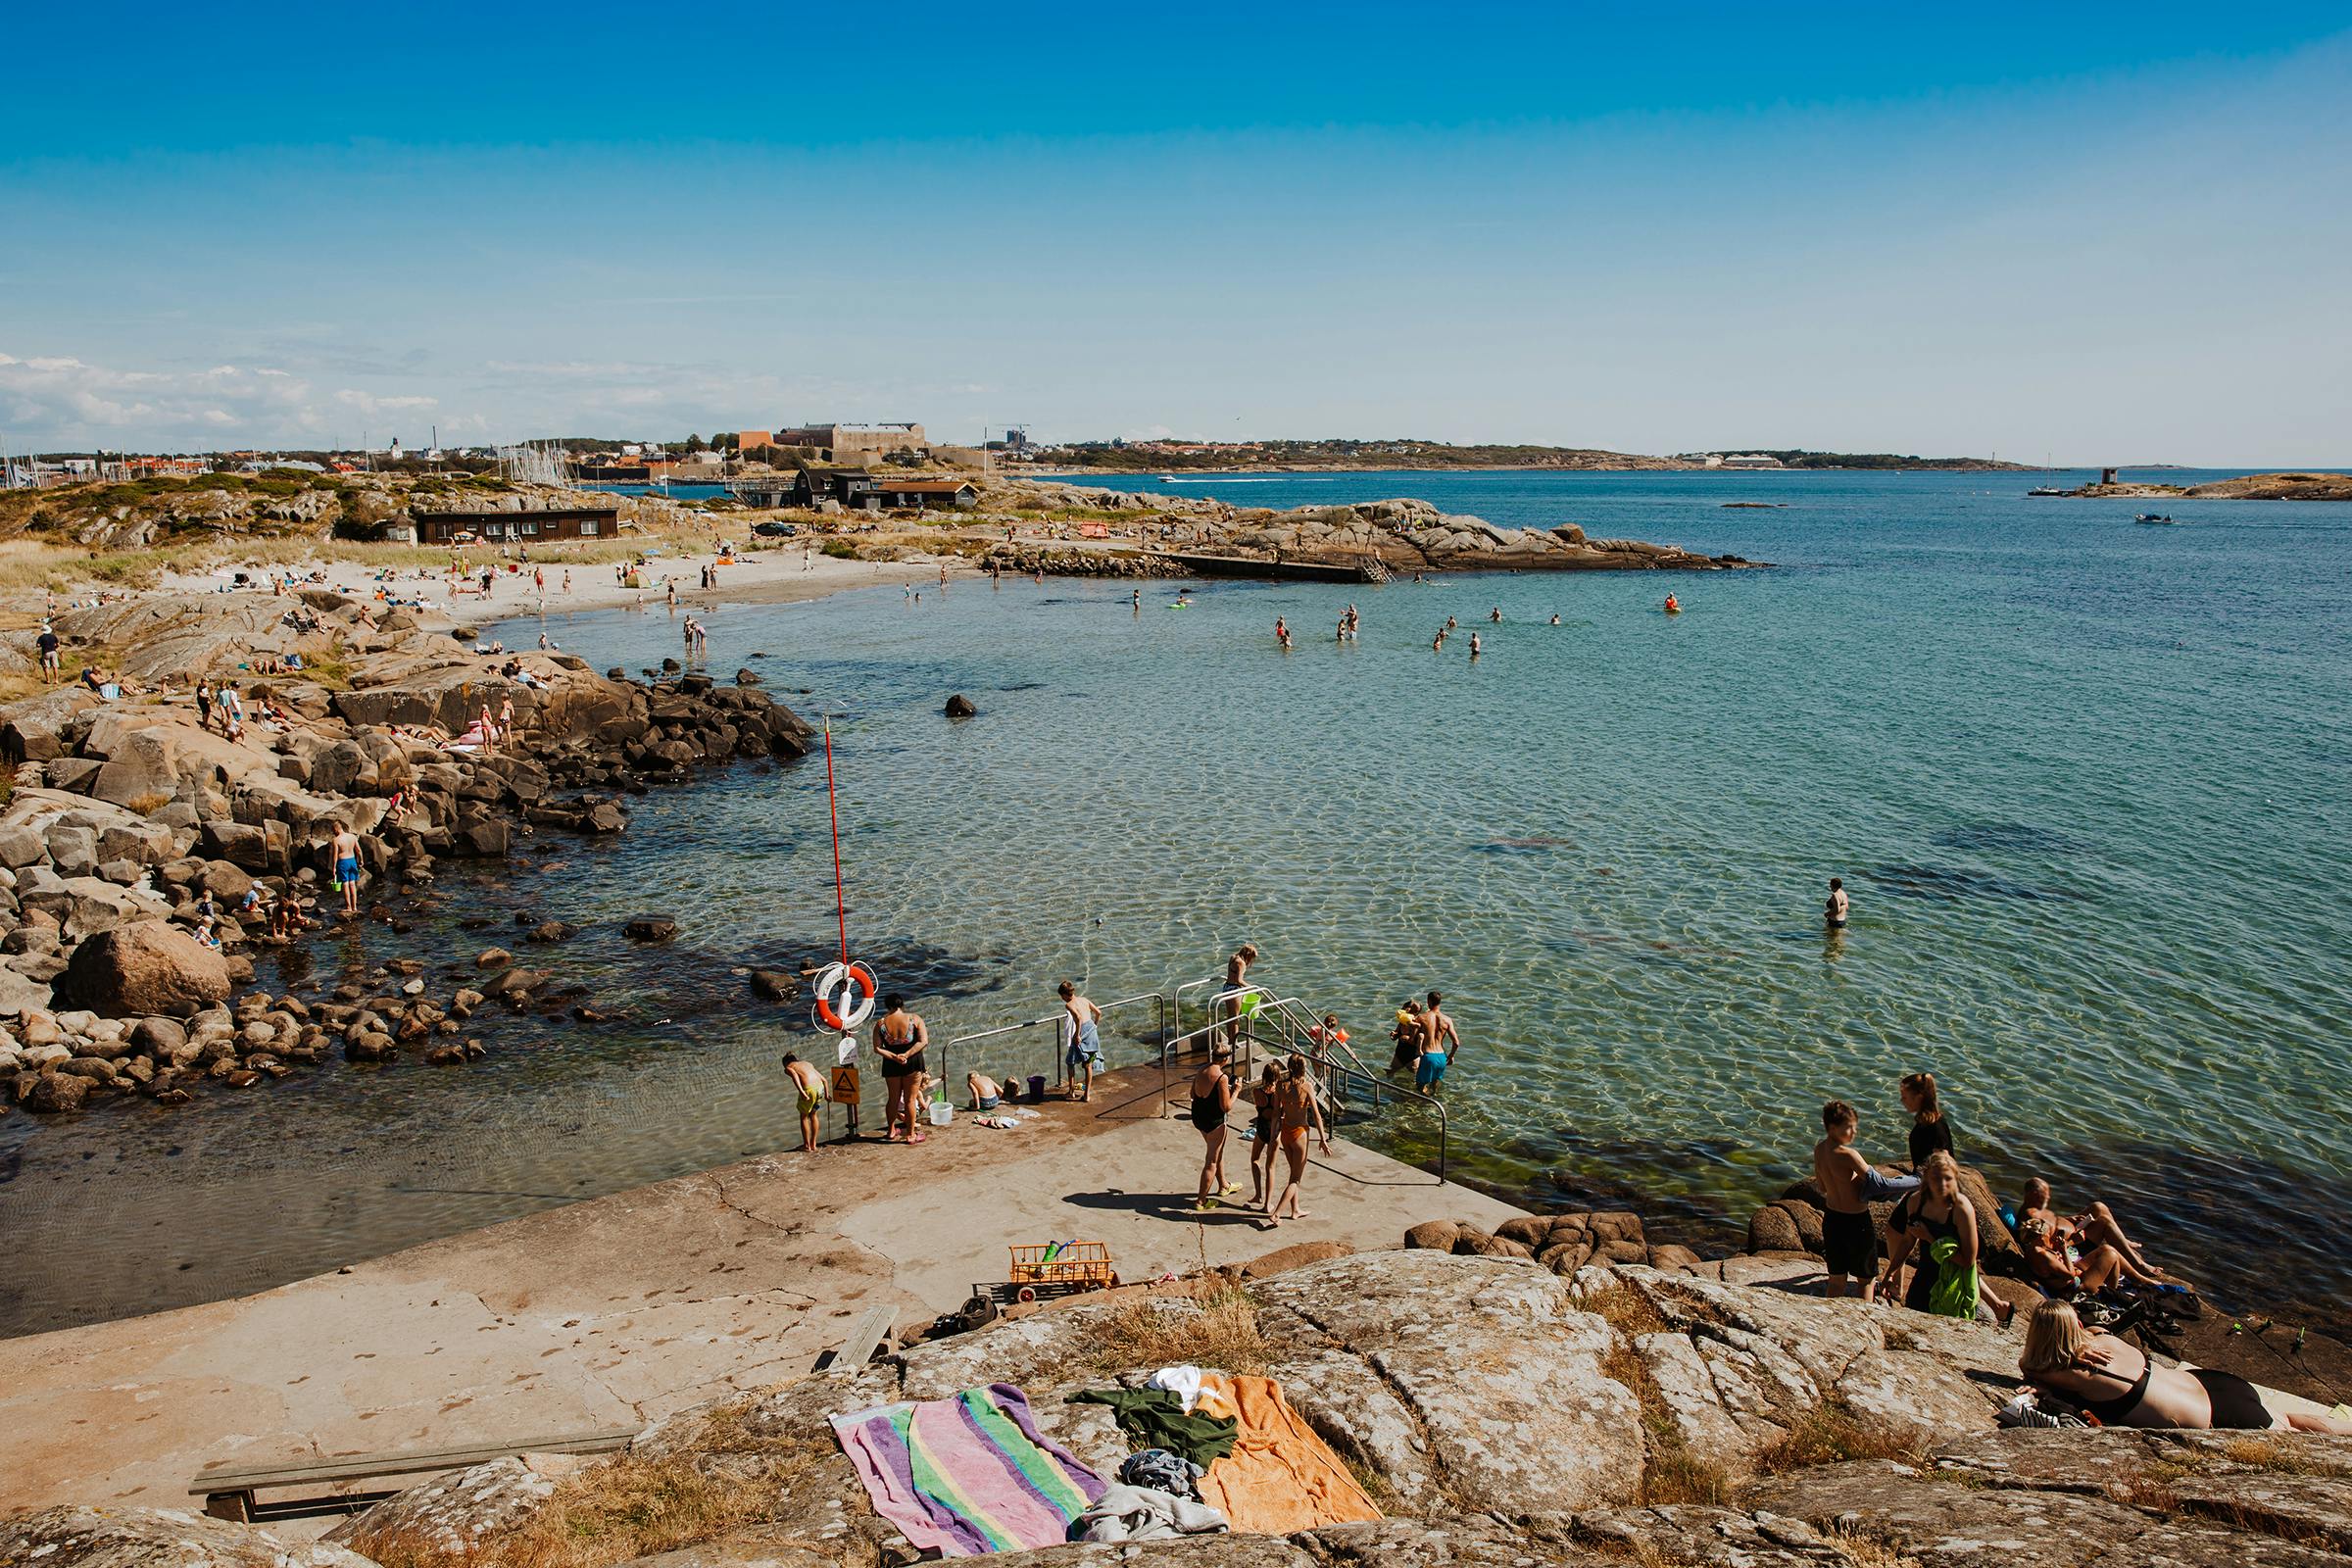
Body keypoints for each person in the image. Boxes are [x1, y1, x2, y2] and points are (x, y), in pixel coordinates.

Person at [2021, 1299, 2351, 1432]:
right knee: (2290, 1419)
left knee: (2291, 1433)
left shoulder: (2071, 1374)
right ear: (2076, 1325)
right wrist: (2082, 1342)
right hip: (2215, 1384)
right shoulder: (2103, 1340)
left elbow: (2029, 1366)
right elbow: (2089, 1332)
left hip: (2211, 1415)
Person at [1881, 1151, 2010, 1324]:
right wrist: (1890, 1273)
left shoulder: (1961, 1208)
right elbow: (1907, 1241)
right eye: (1935, 1178)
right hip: (1924, 1275)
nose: (1942, 1184)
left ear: (1955, 1179)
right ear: (1926, 1177)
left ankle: (1999, 1309)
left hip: (1953, 1281)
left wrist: (1930, 1238)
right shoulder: (1915, 1201)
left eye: (1947, 1178)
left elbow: (1968, 1261)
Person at [2016, 1178, 2176, 1293]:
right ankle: (2138, 1265)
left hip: (2073, 1241)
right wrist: (2071, 1242)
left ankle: (2122, 1242)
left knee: (2098, 1207)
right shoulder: (2032, 1219)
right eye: (2044, 1194)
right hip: (2075, 1247)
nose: (2048, 1197)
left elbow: (2052, 1232)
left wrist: (2071, 1220)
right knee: (2105, 1225)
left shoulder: (2037, 1213)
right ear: (2034, 1195)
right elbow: (2052, 1248)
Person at [1813, 1101, 1883, 1300]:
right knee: (1866, 1279)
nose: (1854, 1132)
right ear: (1833, 1128)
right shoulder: (1849, 1155)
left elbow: (1823, 1187)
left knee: (1836, 1279)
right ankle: (1865, 1322)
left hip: (1832, 1219)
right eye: (1849, 1127)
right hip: (1856, 1221)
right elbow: (1877, 1184)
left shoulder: (1819, 1150)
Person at [1260, 1055, 1330, 1229]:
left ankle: (1295, 1210)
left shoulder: (1280, 1086)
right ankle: (1276, 1213)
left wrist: (1272, 1137)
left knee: (1293, 1172)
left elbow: (1276, 1113)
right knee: (1296, 1179)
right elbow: (1316, 1114)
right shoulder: (1306, 1087)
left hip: (1285, 1133)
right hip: (1300, 1134)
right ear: (1303, 1069)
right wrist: (1322, 1138)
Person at [874, 995, 929, 1143]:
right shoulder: (914, 1019)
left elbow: (877, 1048)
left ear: (887, 1006)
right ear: (902, 1004)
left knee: (893, 1099)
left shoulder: (880, 1024)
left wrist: (894, 1056)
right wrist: (907, 1054)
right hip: (912, 1062)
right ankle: (911, 1135)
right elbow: (923, 1041)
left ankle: (891, 1131)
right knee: (910, 1100)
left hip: (891, 1065)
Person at [1191, 1044, 1237, 1210]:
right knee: (1211, 1161)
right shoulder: (1222, 1078)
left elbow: (1192, 1094)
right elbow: (1226, 1106)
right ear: (1225, 1059)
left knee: (1216, 1152)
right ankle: (1201, 1201)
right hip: (1214, 1122)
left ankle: (1223, 1185)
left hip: (1198, 1117)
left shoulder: (1201, 1069)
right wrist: (1236, 1091)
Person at [1246, 1061, 1283, 1209]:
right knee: (1271, 1167)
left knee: (1255, 1159)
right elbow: (1279, 1113)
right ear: (1278, 1076)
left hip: (1261, 1128)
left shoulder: (1257, 1092)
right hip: (1275, 1132)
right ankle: (1268, 1204)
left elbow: (1258, 1108)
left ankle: (1258, 1195)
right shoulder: (1278, 1094)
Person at [1059, 979, 1104, 1101]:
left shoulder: (1069, 1004)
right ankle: (1086, 1095)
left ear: (1064, 995)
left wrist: (1077, 1035)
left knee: (1070, 1062)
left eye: (1061, 996)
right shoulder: (1084, 999)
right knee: (1088, 1064)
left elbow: (1078, 1018)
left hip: (1082, 1031)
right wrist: (1095, 1025)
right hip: (1091, 1029)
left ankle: (1071, 1092)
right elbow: (1098, 1012)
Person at [1900, 1071, 1954, 1168]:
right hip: (1922, 1175)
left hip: (1927, 1179)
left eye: (1904, 1097)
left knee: (1877, 1180)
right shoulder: (1926, 1121)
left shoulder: (1935, 1126)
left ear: (1919, 1098)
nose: (1901, 1100)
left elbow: (1943, 1164)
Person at [781, 1052, 826, 1153]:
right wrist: (827, 1095)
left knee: (804, 1117)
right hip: (820, 1089)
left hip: (809, 1091)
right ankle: (813, 1144)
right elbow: (824, 1080)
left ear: (785, 1063)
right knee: (814, 1115)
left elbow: (794, 1076)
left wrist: (802, 1093)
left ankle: (806, 1146)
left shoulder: (789, 1067)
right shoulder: (807, 1064)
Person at [1416, 991, 1459, 1092]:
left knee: (1420, 1087)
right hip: (1442, 1057)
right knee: (1435, 1085)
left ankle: (1423, 1104)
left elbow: (1412, 1035)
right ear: (1440, 1002)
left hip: (1428, 1056)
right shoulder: (1447, 1019)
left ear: (1428, 1001)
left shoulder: (1421, 1018)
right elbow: (1456, 1042)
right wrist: (1451, 1056)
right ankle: (1434, 1102)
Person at [1220, 944, 1257, 1051]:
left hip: (1226, 987)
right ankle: (1234, 1043)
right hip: (1234, 990)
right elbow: (1239, 980)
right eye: (1252, 958)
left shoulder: (1233, 957)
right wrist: (1251, 987)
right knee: (1236, 1018)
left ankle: (1230, 1040)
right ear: (1249, 955)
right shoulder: (1241, 963)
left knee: (1230, 1017)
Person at [330, 823, 364, 916]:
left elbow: (335, 856)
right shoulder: (352, 837)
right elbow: (358, 850)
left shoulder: (336, 840)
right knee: (352, 884)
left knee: (345, 884)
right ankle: (355, 907)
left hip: (343, 862)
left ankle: (349, 907)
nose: (333, 833)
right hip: (352, 861)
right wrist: (361, 860)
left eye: (333, 831)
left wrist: (333, 868)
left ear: (336, 829)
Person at [1389, 999, 1426, 1074]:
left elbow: (1423, 1041)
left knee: (1412, 1080)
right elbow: (1396, 1036)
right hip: (1399, 1054)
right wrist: (1394, 1035)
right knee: (1390, 1072)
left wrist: (1409, 1038)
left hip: (1413, 1056)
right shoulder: (1402, 1023)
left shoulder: (1419, 1023)